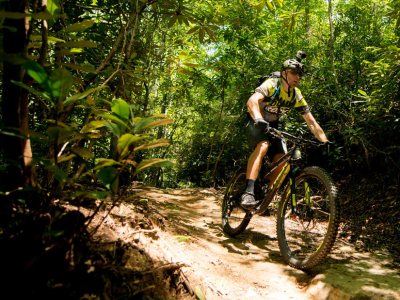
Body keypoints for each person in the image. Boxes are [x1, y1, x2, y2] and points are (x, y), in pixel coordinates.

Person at [240, 51, 329, 209]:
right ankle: (248, 192)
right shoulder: (272, 84)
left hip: (272, 126)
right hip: (255, 121)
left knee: (284, 160)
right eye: (294, 73)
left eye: (300, 75)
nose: (297, 77)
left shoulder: (296, 95)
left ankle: (263, 191)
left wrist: (325, 141)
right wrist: (259, 119)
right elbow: (252, 101)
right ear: (284, 73)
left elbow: (312, 122)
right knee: (263, 145)